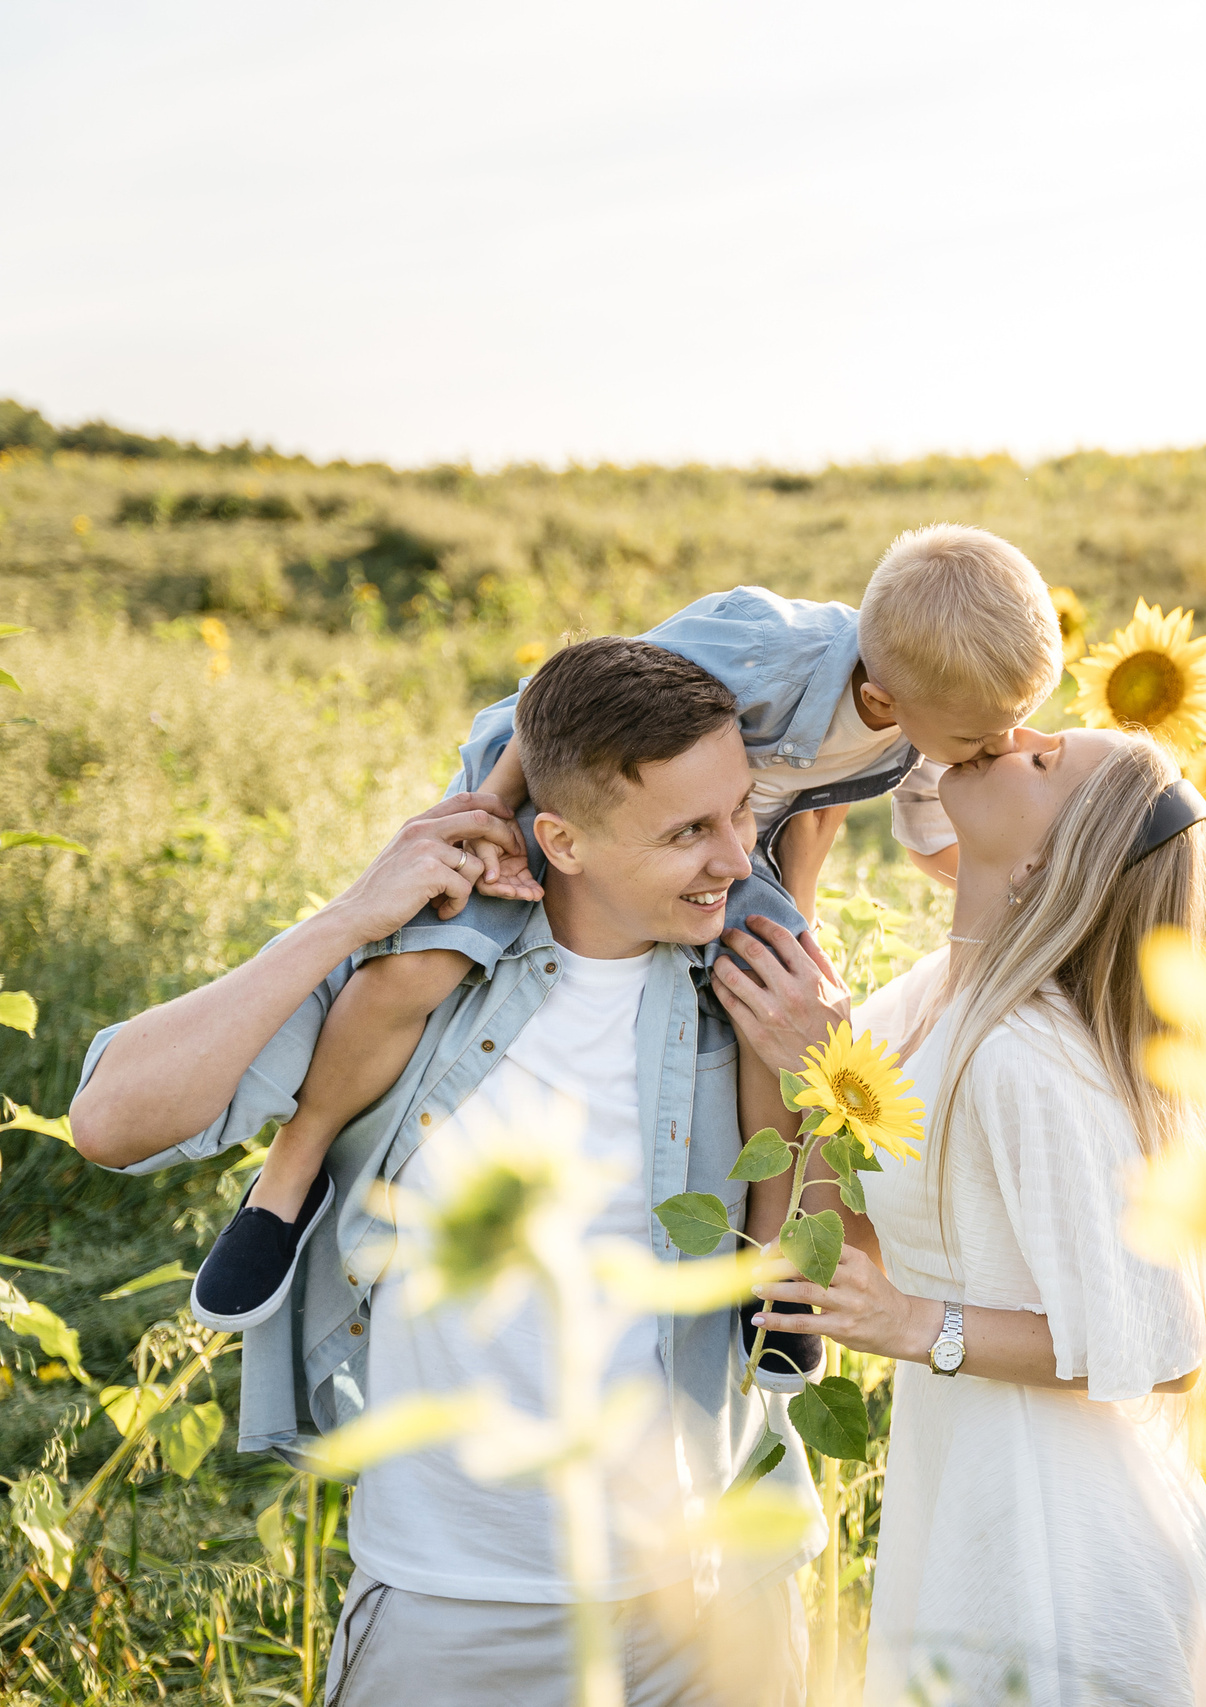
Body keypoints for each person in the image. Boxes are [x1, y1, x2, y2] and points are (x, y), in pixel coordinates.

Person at [70, 638, 822, 1707]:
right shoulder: (421, 968)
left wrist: (817, 1091)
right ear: (559, 838)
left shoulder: (755, 986)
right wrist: (348, 917)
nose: (738, 858)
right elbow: (109, 1120)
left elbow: (824, 1270)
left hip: (714, 1595)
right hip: (454, 1605)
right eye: (689, 831)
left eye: (742, 811)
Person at [185, 524, 1065, 1348]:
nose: (1001, 745)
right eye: (980, 736)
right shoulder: (763, 644)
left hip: (718, 844)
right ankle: (288, 1182)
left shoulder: (936, 715)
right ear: (880, 696)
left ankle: (777, 1268)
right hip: (561, 794)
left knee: (778, 994)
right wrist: (493, 808)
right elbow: (571, 697)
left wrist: (822, 902)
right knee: (426, 960)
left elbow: (892, 821)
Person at [712, 727, 1206, 1706]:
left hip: (1068, 1540)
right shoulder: (926, 1002)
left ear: (1053, 858)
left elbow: (1167, 1342)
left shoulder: (1035, 1054)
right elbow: (842, 1234)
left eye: (1046, 760)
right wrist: (799, 980)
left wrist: (916, 1325)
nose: (1021, 735)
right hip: (969, 1487)